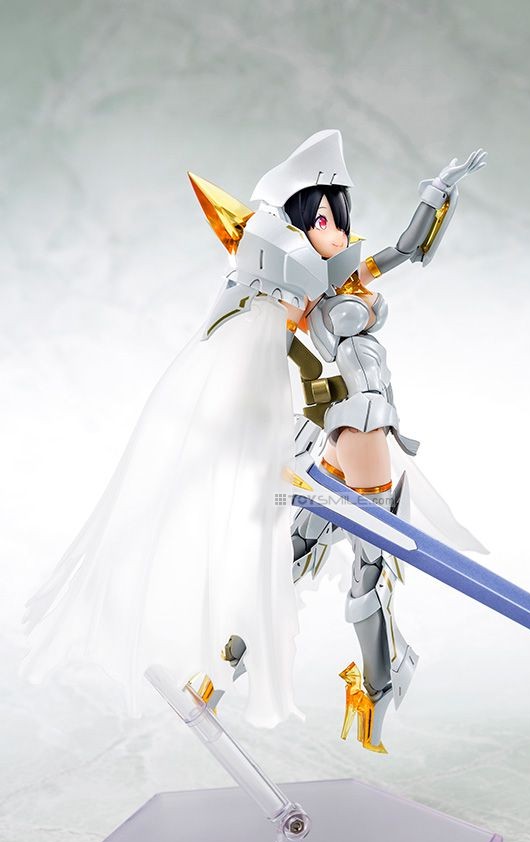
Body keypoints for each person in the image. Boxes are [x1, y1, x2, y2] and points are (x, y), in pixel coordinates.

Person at [23, 130, 486, 752]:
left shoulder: (345, 275)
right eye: (323, 219)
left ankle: (259, 676)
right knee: (348, 570)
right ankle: (343, 680)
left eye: (339, 218)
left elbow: (406, 249)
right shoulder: (302, 290)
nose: (336, 230)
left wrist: (437, 192)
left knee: (310, 562)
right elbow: (261, 341)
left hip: (355, 435)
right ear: (301, 226)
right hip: (355, 433)